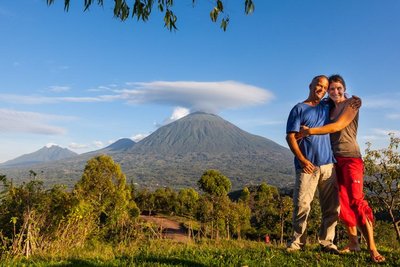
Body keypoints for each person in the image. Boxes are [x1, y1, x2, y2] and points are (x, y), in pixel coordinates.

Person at [297, 74, 385, 263]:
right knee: (342, 205)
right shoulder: (328, 105)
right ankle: (354, 242)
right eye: (332, 89)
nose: (335, 91)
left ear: (344, 88)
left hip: (351, 158)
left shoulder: (352, 103)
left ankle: (372, 248)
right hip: (333, 159)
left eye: (339, 88)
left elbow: (337, 126)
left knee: (356, 202)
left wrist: (309, 131)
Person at [285, 75, 340, 254]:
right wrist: (302, 159)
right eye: (319, 85)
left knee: (331, 208)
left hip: (328, 165)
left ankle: (327, 242)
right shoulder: (298, 109)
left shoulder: (326, 105)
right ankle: (297, 243)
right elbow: (290, 136)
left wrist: (356, 100)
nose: (322, 89)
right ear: (310, 85)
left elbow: (342, 97)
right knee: (302, 205)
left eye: (325, 87)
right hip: (307, 166)